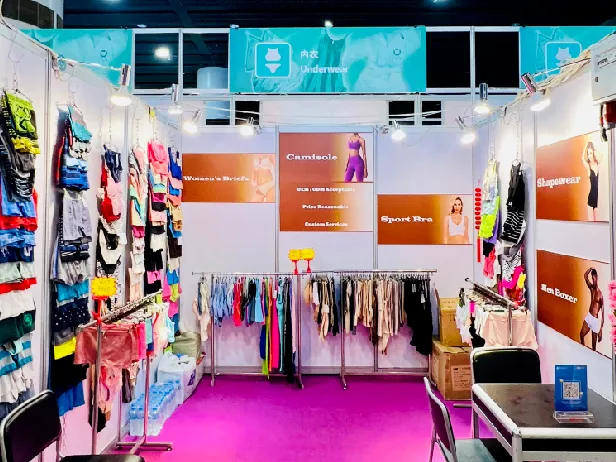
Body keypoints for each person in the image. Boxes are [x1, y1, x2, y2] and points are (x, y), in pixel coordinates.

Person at [580, 267, 604, 351]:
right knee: (581, 334)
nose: (593, 280)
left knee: (594, 346)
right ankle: (582, 351)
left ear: (597, 278)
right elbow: (585, 276)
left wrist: (601, 330)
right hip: (589, 316)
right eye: (592, 278)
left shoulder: (600, 295)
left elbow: (603, 314)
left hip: (595, 321)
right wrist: (590, 269)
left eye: (594, 278)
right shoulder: (591, 288)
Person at [582, 141, 602, 221]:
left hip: (597, 198)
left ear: (593, 152)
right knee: (591, 222)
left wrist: (594, 149)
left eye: (590, 153)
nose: (589, 155)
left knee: (597, 221)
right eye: (588, 154)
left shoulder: (597, 163)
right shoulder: (588, 167)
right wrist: (585, 147)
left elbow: (601, 154)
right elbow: (582, 158)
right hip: (591, 197)